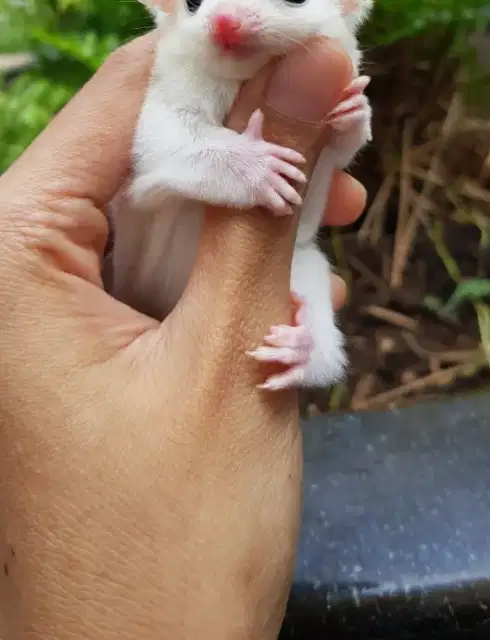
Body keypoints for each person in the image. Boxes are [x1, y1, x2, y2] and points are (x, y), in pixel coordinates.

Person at [0, 32, 366, 640]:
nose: (229, 20)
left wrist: (349, 124)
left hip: (212, 304)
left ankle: (313, 349)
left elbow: (340, 155)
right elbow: (162, 162)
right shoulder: (177, 85)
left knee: (307, 276)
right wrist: (236, 162)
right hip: (137, 298)